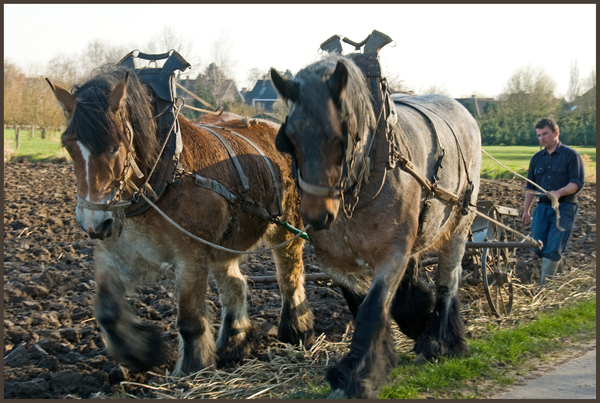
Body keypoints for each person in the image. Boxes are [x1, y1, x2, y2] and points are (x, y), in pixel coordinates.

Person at [522, 118, 585, 285]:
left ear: (555, 133)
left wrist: (559, 192)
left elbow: (577, 183)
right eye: (539, 135)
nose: (541, 138)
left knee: (553, 247)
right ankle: (558, 269)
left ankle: (546, 290)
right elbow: (530, 187)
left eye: (545, 134)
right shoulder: (536, 159)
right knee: (538, 246)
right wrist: (526, 210)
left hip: (564, 207)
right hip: (542, 208)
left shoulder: (571, 155)